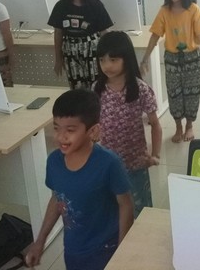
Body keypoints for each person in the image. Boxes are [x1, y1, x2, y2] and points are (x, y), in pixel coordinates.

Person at [25, 89, 134, 270]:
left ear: (93, 131)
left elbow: (126, 204)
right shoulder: (54, 162)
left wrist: (123, 250)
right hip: (73, 250)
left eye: (70, 130)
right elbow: (57, 199)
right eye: (56, 128)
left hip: (106, 250)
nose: (60, 136)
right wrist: (40, 241)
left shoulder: (109, 163)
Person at [140, 0, 200, 143]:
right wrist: (145, 58)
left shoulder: (193, 9)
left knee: (192, 93)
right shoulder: (164, 11)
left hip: (191, 59)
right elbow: (155, 36)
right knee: (174, 95)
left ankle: (189, 125)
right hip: (172, 60)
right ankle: (178, 126)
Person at [94, 31, 163, 217]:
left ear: (127, 58)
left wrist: (155, 155)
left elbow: (155, 125)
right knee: (114, 209)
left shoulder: (140, 88)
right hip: (108, 163)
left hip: (135, 162)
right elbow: (93, 125)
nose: (107, 66)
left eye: (113, 60)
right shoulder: (97, 89)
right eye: (102, 60)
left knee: (140, 210)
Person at [48, 0, 113, 90]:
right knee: (76, 88)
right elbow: (58, 33)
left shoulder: (95, 5)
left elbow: (104, 32)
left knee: (96, 87)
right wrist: (58, 59)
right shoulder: (60, 6)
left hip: (92, 51)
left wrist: (108, 57)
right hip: (70, 52)